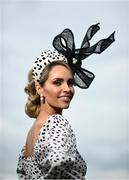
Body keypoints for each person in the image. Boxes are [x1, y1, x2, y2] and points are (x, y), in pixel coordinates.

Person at [17, 24, 115, 179]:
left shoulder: (32, 133)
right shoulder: (56, 123)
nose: (68, 89)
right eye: (57, 82)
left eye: (70, 82)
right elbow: (59, 163)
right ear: (39, 88)